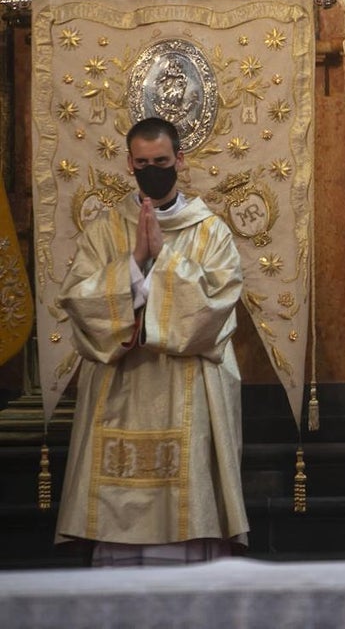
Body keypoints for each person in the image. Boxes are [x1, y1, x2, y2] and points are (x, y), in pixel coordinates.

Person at [55, 117, 249, 566]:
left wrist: (162, 259)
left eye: (160, 161)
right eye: (141, 163)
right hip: (120, 391)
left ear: (179, 160)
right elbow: (78, 299)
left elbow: (218, 309)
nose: (151, 170)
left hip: (189, 391)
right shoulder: (105, 229)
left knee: (185, 524)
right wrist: (134, 262)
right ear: (129, 164)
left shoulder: (210, 231)